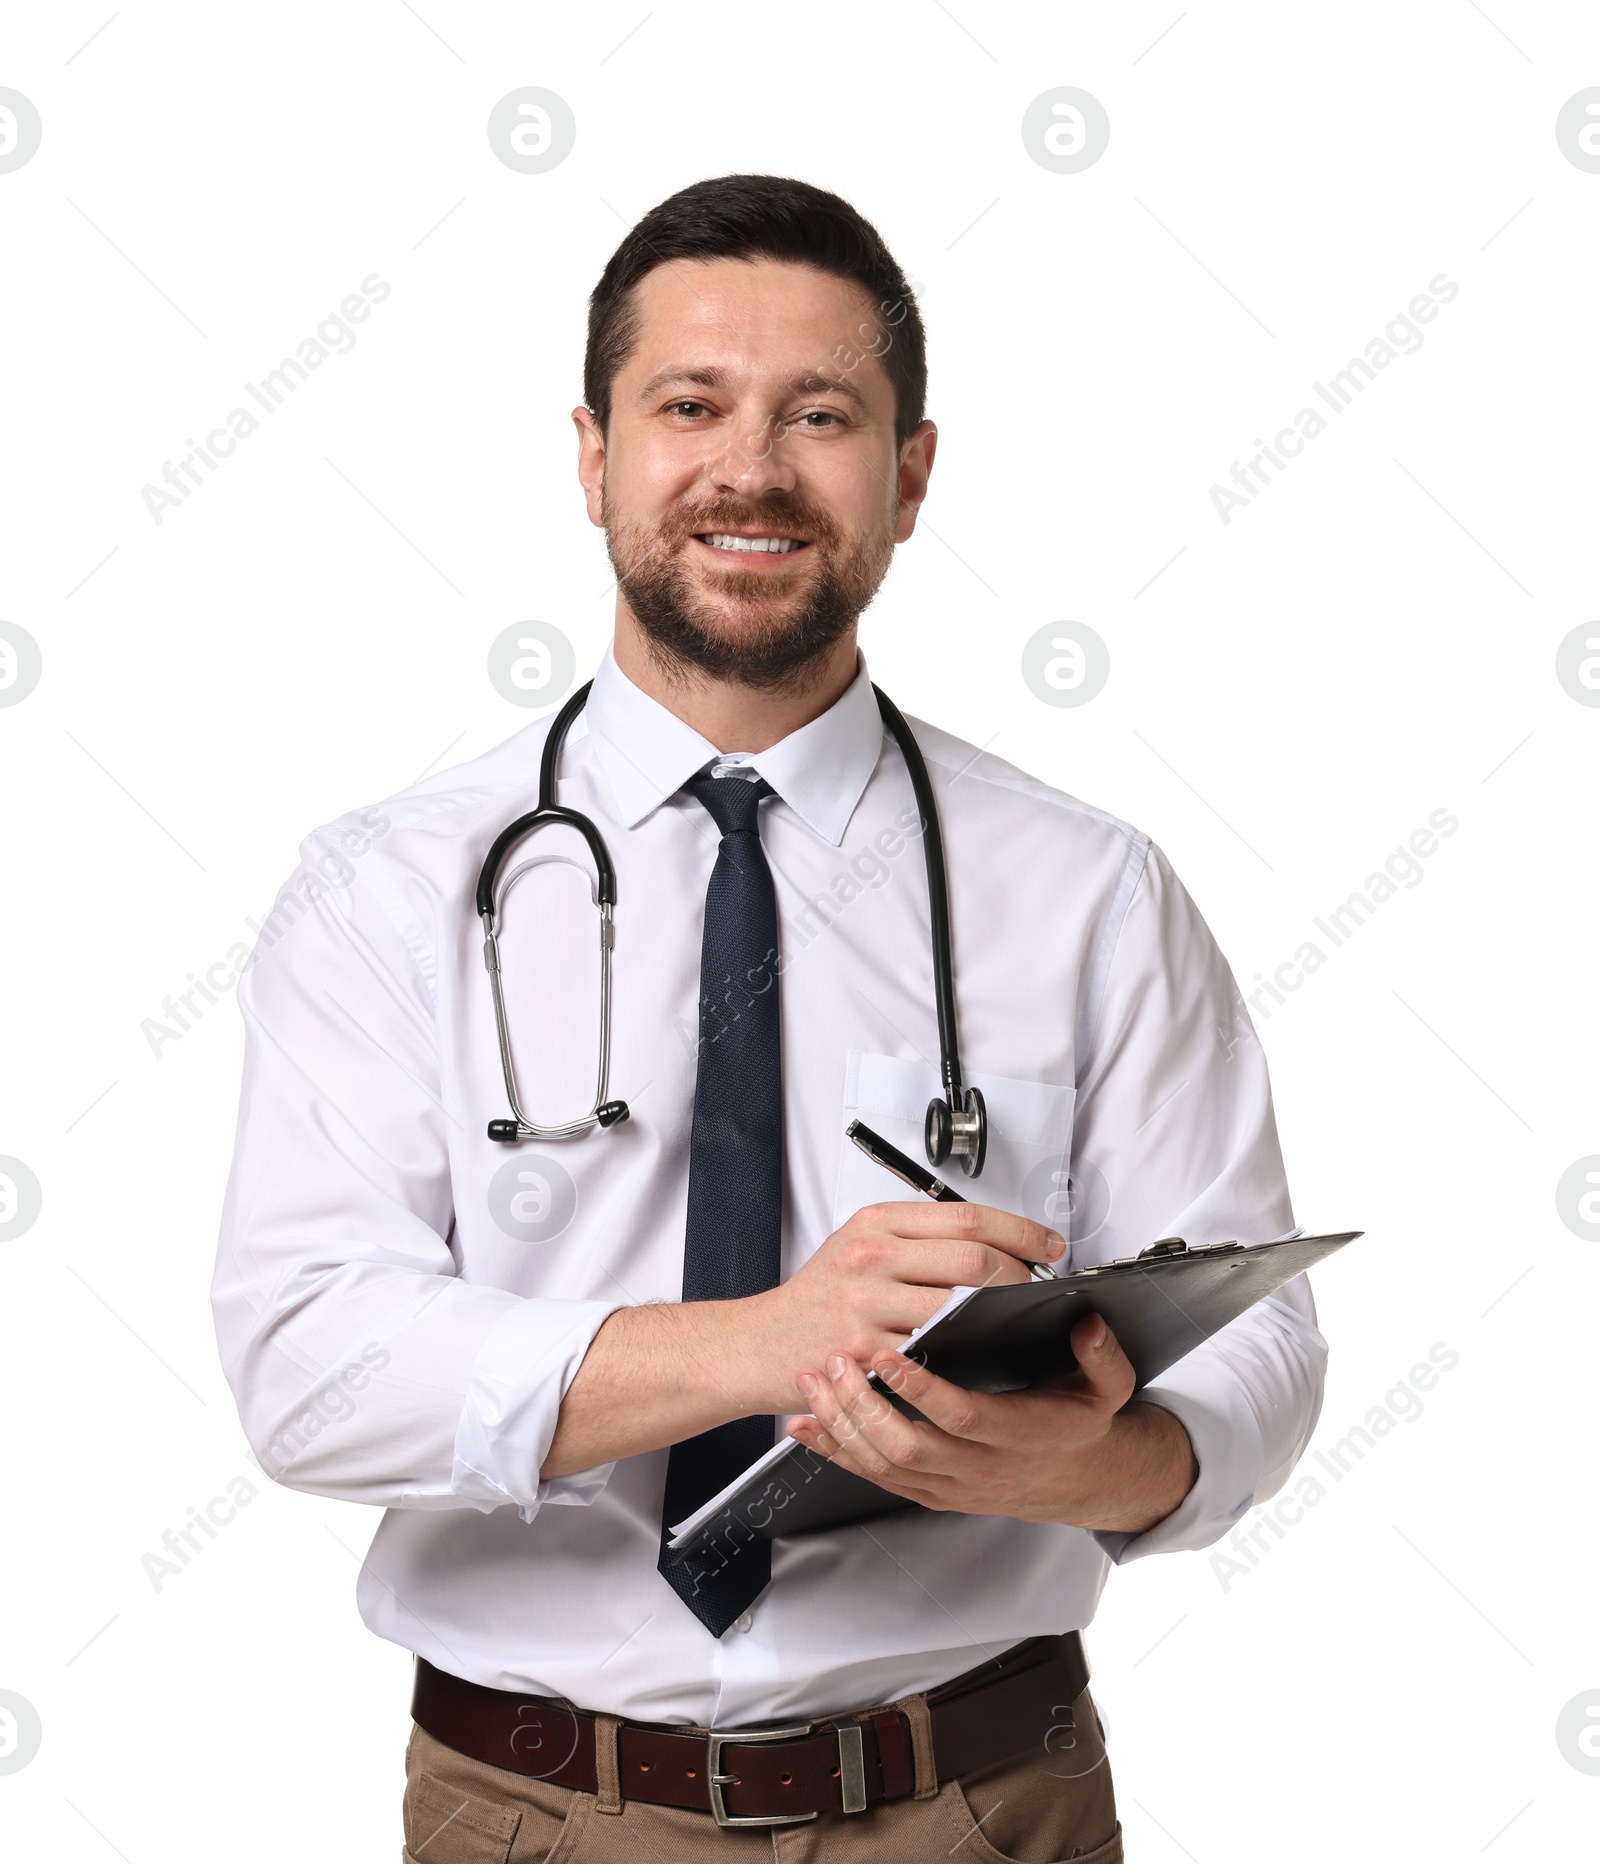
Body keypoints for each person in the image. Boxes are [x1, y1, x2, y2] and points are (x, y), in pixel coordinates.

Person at [213, 174, 1327, 1862]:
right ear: (594, 458)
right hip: (542, 1813)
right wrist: (763, 1342)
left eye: (822, 414)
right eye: (690, 407)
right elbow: (308, 1368)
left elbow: (1258, 1336)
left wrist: (1076, 1469)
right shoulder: (384, 891)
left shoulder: (1088, 889)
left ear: (911, 475)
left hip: (986, 1806)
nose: (752, 469)